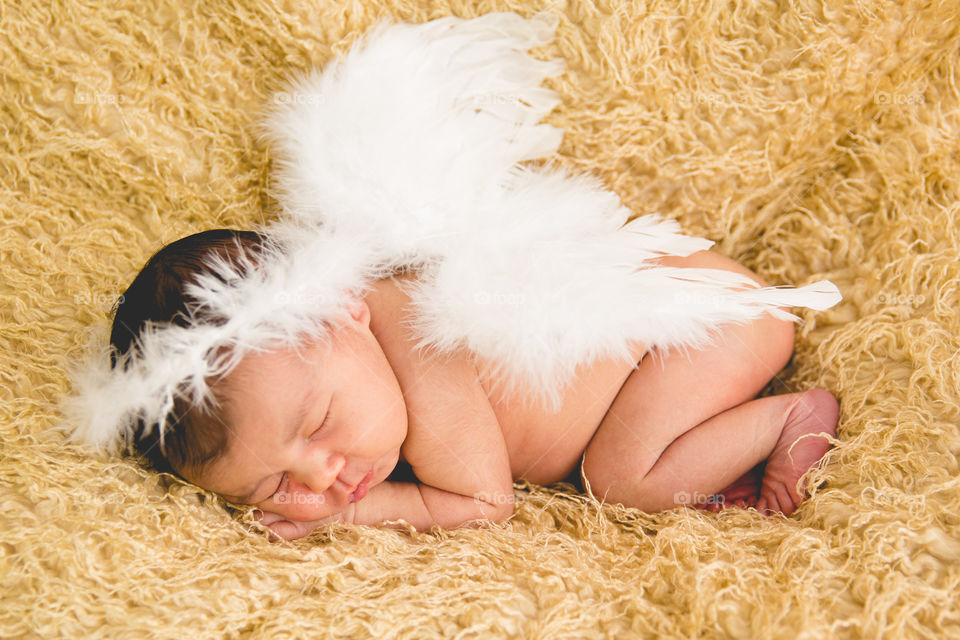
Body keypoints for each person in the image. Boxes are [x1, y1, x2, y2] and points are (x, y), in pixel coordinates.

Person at [106, 228, 839, 541]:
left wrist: (350, 517)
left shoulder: (418, 340)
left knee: (620, 479)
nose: (321, 478)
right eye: (273, 486)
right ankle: (719, 448)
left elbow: (485, 504)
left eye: (320, 423)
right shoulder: (349, 368)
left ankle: (786, 419)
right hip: (688, 335)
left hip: (707, 325)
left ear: (344, 310)